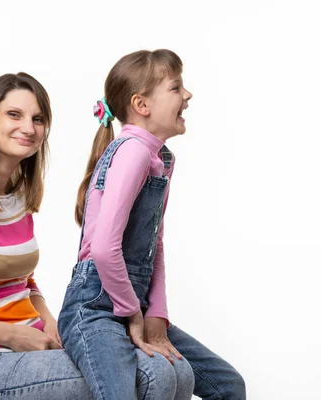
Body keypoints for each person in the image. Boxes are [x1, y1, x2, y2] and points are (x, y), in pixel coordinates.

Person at [0, 72, 181, 400]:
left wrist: (48, 321)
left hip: (29, 351)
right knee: (149, 375)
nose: (28, 128)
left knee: (177, 371)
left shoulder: (16, 195)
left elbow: (22, 281)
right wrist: (13, 336)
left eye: (38, 119)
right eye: (14, 115)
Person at [58, 50, 246, 400]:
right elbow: (102, 248)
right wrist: (133, 313)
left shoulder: (161, 158)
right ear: (141, 105)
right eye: (176, 88)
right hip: (95, 307)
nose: (187, 96)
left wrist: (156, 312)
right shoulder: (132, 151)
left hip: (135, 302)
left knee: (228, 387)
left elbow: (153, 244)